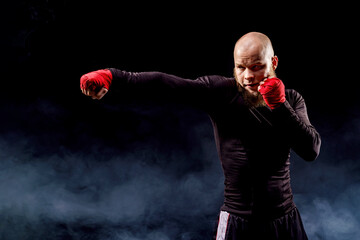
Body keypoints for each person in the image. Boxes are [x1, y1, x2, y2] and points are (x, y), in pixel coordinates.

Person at [80, 32, 321, 240]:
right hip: (239, 221)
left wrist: (279, 107)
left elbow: (311, 150)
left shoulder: (291, 99)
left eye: (257, 67)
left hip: (286, 219)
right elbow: (165, 84)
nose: (248, 76)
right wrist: (112, 76)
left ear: (273, 62)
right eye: (241, 67)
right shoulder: (221, 92)